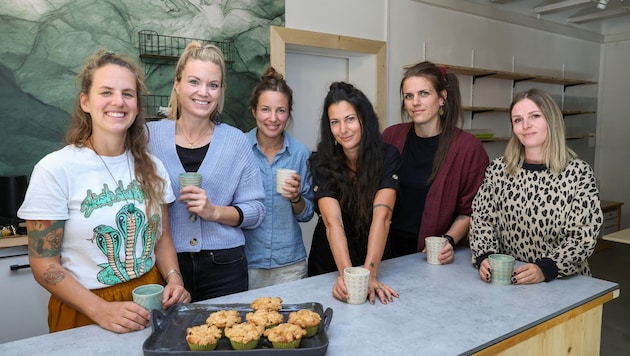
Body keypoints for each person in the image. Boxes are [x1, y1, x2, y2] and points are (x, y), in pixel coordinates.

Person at [17, 50, 190, 334]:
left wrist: (174, 280)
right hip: (84, 308)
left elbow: (163, 239)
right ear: (85, 101)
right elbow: (43, 263)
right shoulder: (55, 169)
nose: (118, 102)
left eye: (128, 94)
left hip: (151, 300)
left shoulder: (153, 167)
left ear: (136, 104)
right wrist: (101, 310)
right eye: (106, 92)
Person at [147, 42, 265, 302]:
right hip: (166, 267)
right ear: (177, 84)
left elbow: (256, 211)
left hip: (225, 266)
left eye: (213, 85)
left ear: (221, 90)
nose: (203, 92)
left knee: (226, 339)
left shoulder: (235, 141)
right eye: (194, 82)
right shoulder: (149, 138)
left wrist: (214, 212)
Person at [470, 88, 602, 284]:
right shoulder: (498, 170)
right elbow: (482, 220)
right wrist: (485, 257)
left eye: (534, 116)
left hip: (563, 283)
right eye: (517, 120)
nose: (526, 125)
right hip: (509, 282)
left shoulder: (578, 173)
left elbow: (583, 235)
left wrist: (546, 268)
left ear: (551, 120)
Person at [382, 61, 489, 263]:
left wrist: (448, 241)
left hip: (433, 256)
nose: (415, 102)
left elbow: (470, 211)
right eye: (409, 96)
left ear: (442, 98)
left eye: (424, 93)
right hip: (387, 252)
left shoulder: (468, 148)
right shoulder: (391, 136)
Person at [307, 82, 401, 305]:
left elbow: (383, 216)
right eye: (335, 122)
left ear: (364, 119)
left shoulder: (388, 156)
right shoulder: (321, 162)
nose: (343, 129)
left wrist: (369, 273)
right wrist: (349, 276)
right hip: (331, 263)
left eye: (350, 119)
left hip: (374, 258)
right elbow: (332, 222)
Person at [244, 67, 315, 289]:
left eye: (281, 111)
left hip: (289, 265)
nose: (273, 118)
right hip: (246, 262)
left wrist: (296, 198)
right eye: (265, 109)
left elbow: (307, 214)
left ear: (288, 113)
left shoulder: (300, 153)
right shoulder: (239, 148)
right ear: (254, 111)